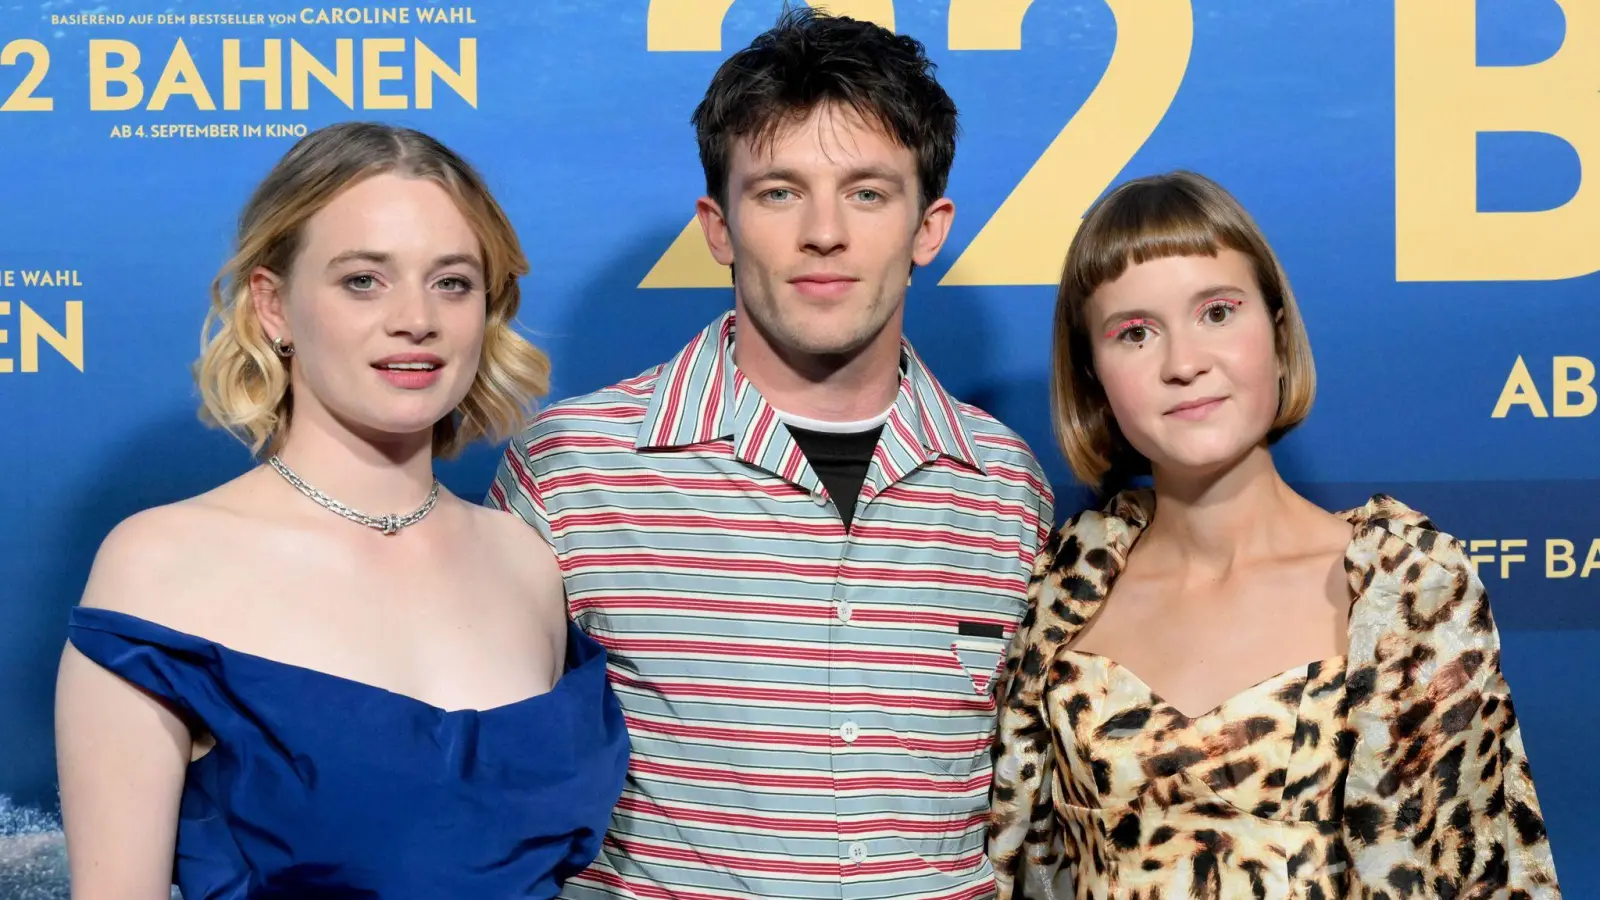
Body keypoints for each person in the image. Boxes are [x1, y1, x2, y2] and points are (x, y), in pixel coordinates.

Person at [487, 9, 1054, 899]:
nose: (823, 232)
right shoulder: (572, 471)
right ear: (719, 227)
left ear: (930, 226)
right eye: (779, 191)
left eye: (868, 192)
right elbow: (488, 795)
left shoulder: (1005, 487)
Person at [53, 122, 629, 899]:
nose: (415, 318)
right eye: (364, 279)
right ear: (274, 306)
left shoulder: (524, 558)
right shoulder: (161, 565)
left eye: (452, 281)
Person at [987, 170, 1561, 898]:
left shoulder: (1407, 590)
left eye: (1218, 312)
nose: (1185, 363)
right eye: (1134, 333)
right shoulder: (1057, 591)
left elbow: (1471, 876)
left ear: (1278, 333)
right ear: (1094, 375)